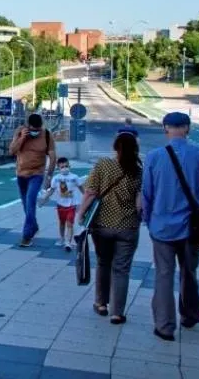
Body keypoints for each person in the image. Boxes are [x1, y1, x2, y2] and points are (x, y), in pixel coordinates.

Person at [141, 111, 199, 341]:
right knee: (189, 272)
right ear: (188, 129)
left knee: (163, 275)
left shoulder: (153, 156)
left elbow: (147, 193)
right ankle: (190, 314)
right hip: (192, 227)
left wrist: (148, 220)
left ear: (165, 128)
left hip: (161, 226)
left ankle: (164, 326)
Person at [76, 133, 143, 325]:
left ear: (115, 147)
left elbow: (90, 192)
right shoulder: (138, 171)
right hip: (128, 227)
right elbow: (140, 204)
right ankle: (117, 313)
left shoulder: (103, 164)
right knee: (121, 269)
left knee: (103, 262)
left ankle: (101, 303)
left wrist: (81, 213)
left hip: (102, 225)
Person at [9, 113, 57, 247]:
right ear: (27, 126)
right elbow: (12, 151)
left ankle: (27, 235)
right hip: (21, 174)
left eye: (38, 129)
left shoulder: (46, 135)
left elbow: (53, 156)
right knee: (25, 205)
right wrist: (22, 138)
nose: (36, 132)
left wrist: (49, 176)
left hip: (36, 174)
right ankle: (34, 226)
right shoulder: (20, 132)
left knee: (30, 202)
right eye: (33, 129)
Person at [38, 157, 84, 251]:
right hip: (61, 206)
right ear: (58, 168)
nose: (65, 168)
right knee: (62, 223)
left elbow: (82, 188)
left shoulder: (74, 177)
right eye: (62, 167)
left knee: (70, 224)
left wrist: (87, 197)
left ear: (69, 166)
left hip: (71, 205)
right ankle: (62, 238)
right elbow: (51, 190)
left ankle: (68, 242)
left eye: (66, 166)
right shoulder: (56, 178)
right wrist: (44, 199)